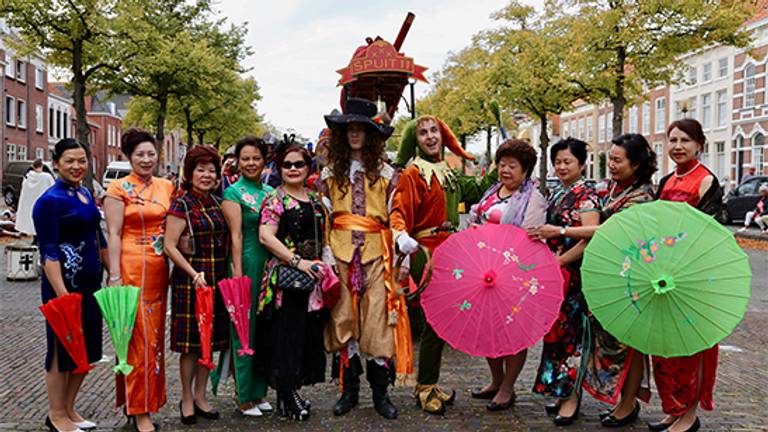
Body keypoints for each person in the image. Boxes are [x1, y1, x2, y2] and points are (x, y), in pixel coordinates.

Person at [533, 134, 658, 427]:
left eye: (617, 160)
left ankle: (627, 404)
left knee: (629, 343)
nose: (611, 165)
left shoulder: (641, 197)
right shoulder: (613, 189)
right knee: (607, 341)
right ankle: (612, 400)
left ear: (636, 163)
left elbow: (605, 231)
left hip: (630, 279)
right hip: (607, 275)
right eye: (609, 159)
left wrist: (560, 234)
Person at [390, 115, 495, 415]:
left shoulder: (447, 171)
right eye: (422, 133)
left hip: (452, 251)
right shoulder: (413, 173)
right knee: (435, 323)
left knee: (442, 323)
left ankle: (430, 382)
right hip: (428, 253)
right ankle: (424, 387)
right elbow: (399, 211)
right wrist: (400, 235)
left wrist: (501, 162)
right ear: (415, 140)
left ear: (443, 135)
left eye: (434, 130)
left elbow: (475, 190)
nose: (430, 136)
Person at [317, 98, 403, 419]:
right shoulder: (329, 173)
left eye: (361, 129)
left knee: (378, 319)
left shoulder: (387, 174)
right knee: (343, 319)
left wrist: (400, 250)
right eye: (349, 129)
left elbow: (396, 213)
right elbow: (324, 214)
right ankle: (349, 391)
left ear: (371, 135)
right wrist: (324, 253)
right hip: (339, 252)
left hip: (377, 252)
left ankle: (381, 393)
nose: (355, 134)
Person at [650, 118, 723, 432]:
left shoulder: (706, 181)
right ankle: (673, 408)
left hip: (692, 275)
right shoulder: (665, 181)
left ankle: (689, 414)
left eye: (685, 141)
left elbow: (710, 231)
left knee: (689, 347)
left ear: (699, 146)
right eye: (673, 140)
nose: (678, 146)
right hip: (662, 273)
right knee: (663, 346)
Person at [33, 139, 108, 432]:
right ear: (56, 164)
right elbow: (48, 252)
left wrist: (112, 272)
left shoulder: (86, 193)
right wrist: (63, 295)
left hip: (91, 286)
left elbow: (98, 238)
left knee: (87, 350)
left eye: (81, 161)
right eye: (69, 161)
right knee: (60, 349)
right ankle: (55, 414)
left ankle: (70, 408)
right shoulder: (49, 202)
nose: (77, 166)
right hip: (63, 289)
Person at [467, 139, 546, 412]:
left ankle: (508, 386)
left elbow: (529, 236)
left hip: (513, 274)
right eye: (502, 164)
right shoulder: (492, 191)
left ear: (525, 171)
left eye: (513, 166)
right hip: (484, 271)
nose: (506, 170)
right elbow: (476, 220)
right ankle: (495, 379)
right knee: (487, 328)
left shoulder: (533, 198)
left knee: (511, 330)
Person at [104, 128, 175, 432]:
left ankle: (147, 403)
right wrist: (114, 275)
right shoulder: (117, 189)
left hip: (160, 269)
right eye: (139, 154)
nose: (146, 159)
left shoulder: (167, 186)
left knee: (155, 341)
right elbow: (114, 234)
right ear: (128, 157)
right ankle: (139, 409)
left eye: (151, 153)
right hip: (131, 267)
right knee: (137, 341)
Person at [527, 138, 601, 426]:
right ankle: (560, 390)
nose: (561, 166)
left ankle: (572, 398)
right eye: (557, 161)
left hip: (576, 275)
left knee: (574, 336)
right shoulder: (558, 194)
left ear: (582, 164)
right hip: (556, 275)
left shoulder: (588, 196)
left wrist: (560, 260)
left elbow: (589, 236)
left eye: (567, 161)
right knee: (557, 333)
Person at [258, 145, 329, 421]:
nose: (293, 169)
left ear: (307, 167)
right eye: (286, 165)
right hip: (286, 279)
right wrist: (297, 261)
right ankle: (286, 396)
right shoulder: (276, 199)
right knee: (285, 337)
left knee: (302, 335)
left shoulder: (314, 198)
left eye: (299, 164)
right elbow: (266, 236)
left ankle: (292, 391)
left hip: (311, 277)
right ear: (279, 169)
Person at [164, 145, 229, 425]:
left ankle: (202, 396)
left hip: (215, 279)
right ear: (189, 173)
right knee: (191, 345)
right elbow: (170, 246)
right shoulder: (182, 203)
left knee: (209, 342)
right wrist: (192, 273)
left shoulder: (217, 201)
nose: (206, 175)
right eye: (200, 170)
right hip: (190, 282)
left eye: (211, 170)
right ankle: (187, 398)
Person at [211, 137, 274, 417]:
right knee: (243, 328)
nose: (250, 163)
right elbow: (235, 235)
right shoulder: (233, 193)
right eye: (245, 158)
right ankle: (244, 394)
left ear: (264, 160)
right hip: (246, 261)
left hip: (269, 264)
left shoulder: (272, 191)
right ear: (237, 161)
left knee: (262, 328)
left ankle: (260, 391)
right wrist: (237, 274)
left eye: (255, 158)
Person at [17, 158, 56, 236]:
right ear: (42, 166)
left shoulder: (28, 176)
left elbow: (24, 188)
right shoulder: (47, 177)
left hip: (30, 202)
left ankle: (34, 238)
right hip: (42, 202)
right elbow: (53, 188)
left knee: (32, 221)